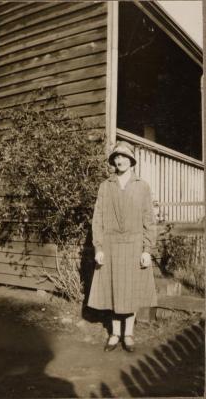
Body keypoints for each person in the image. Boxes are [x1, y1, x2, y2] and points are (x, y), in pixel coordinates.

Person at [88, 140, 157, 352]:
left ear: (131, 160)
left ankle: (128, 334)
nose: (120, 160)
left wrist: (147, 250)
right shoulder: (105, 186)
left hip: (135, 246)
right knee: (113, 289)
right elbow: (97, 218)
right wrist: (98, 247)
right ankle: (114, 333)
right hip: (110, 246)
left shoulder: (142, 186)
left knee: (131, 290)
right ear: (113, 161)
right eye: (117, 157)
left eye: (124, 156)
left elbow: (149, 220)